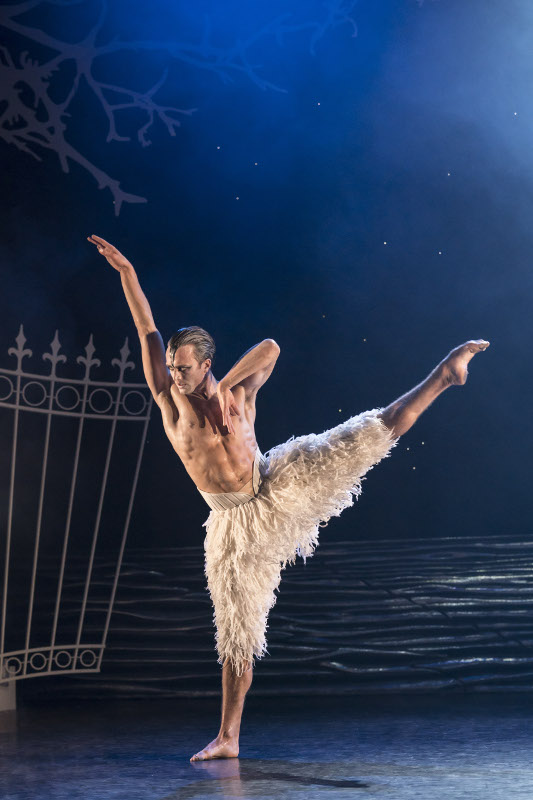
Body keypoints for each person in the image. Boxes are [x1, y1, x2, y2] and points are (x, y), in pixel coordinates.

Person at [88, 234, 489, 761]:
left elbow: (272, 347)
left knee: (366, 434)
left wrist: (228, 392)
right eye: (173, 365)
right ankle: (229, 737)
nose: (175, 375)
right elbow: (146, 327)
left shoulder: (237, 393)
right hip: (232, 527)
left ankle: (443, 375)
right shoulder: (169, 401)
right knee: (237, 634)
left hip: (276, 482)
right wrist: (126, 271)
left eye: (185, 367)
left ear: (206, 365)